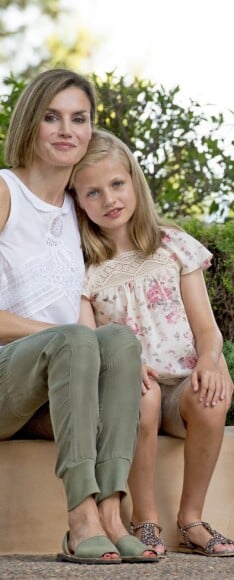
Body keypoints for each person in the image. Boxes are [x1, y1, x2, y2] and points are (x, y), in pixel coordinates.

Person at [0, 70, 158, 564]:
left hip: (56, 389)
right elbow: (64, 334)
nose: (66, 129)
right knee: (77, 340)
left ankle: (112, 512)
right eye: (52, 117)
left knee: (120, 342)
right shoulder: (5, 193)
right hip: (7, 379)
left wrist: (118, 365)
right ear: (30, 123)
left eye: (79, 118)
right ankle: (80, 519)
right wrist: (65, 337)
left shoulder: (77, 205)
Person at [70, 129, 234, 557]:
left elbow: (206, 327)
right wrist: (121, 369)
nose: (109, 199)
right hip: (133, 385)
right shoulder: (82, 265)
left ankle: (192, 520)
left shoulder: (172, 245)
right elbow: (88, 340)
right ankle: (145, 519)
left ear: (134, 182)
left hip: (182, 381)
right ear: (76, 200)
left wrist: (209, 360)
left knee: (210, 396)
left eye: (116, 185)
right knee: (141, 396)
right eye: (93, 192)